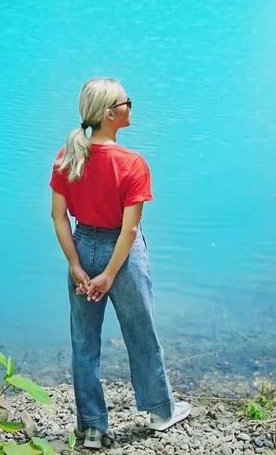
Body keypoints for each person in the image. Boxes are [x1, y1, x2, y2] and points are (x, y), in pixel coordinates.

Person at [49, 77, 191, 450]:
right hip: (121, 259)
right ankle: (161, 411)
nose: (131, 105)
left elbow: (58, 217)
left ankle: (92, 428)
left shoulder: (67, 157)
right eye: (127, 101)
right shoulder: (132, 163)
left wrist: (76, 265)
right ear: (111, 114)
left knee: (84, 342)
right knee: (141, 333)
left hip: (81, 247)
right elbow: (129, 232)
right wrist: (109, 274)